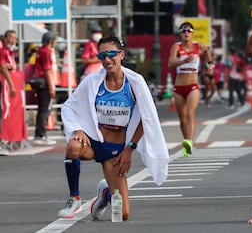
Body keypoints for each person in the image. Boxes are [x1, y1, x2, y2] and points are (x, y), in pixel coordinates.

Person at [58, 36, 169, 220]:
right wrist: (77, 129)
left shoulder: (134, 83)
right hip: (94, 143)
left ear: (121, 55)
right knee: (73, 146)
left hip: (116, 151)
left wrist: (129, 149)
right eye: (102, 55)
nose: (107, 60)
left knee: (123, 214)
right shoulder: (93, 81)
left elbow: (146, 118)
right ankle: (74, 198)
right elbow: (69, 106)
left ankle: (105, 193)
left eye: (111, 54)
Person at [168, 22, 213, 157]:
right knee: (182, 119)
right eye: (183, 31)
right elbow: (170, 63)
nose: (186, 33)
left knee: (190, 114)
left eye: (188, 31)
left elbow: (207, 53)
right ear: (180, 34)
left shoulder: (198, 46)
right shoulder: (177, 47)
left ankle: (189, 141)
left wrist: (210, 66)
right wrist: (184, 61)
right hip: (179, 87)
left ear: (192, 33)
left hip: (193, 85)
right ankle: (186, 139)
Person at [32, 31, 57, 146]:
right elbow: (47, 70)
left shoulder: (40, 50)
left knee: (41, 109)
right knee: (44, 109)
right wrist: (51, 87)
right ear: (51, 41)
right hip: (44, 83)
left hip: (38, 82)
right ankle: (42, 134)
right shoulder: (46, 52)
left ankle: (38, 133)